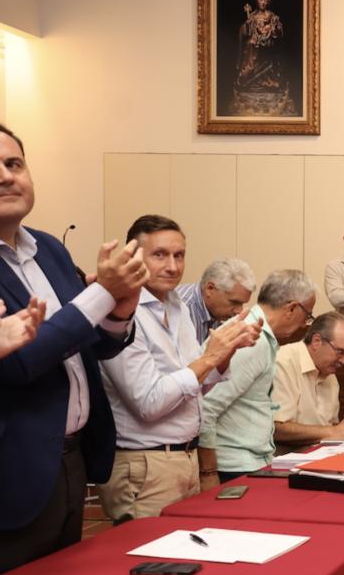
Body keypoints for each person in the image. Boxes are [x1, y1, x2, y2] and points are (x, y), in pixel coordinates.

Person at [0, 120, 147, 575]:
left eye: (14, 163)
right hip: (9, 469)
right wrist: (99, 296)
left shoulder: (50, 249)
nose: (5, 175)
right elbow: (15, 363)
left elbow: (84, 348)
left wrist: (117, 313)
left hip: (72, 458)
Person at [98, 216, 261, 523]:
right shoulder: (118, 311)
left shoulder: (178, 305)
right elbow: (149, 403)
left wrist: (226, 352)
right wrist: (209, 358)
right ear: (133, 257)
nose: (172, 266)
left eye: (179, 255)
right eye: (159, 255)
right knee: (146, 565)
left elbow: (195, 385)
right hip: (145, 464)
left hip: (185, 457)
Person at [199, 270, 316, 487]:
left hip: (245, 462)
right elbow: (206, 407)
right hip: (232, 466)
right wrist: (208, 471)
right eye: (307, 315)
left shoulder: (259, 334)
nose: (304, 324)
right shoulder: (252, 339)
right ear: (291, 308)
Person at [272, 312, 344, 449]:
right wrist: (335, 431)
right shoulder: (283, 362)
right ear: (316, 341)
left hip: (320, 457)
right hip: (283, 460)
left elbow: (326, 427)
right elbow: (276, 428)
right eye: (340, 352)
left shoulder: (330, 376)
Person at [175, 257, 256, 346]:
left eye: (242, 304)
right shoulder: (179, 309)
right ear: (210, 289)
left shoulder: (216, 312)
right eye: (234, 302)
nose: (239, 311)